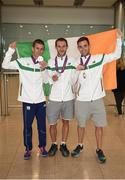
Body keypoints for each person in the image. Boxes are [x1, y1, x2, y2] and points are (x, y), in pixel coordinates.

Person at [71, 29, 122, 163]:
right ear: (78, 48)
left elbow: (116, 55)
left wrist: (119, 39)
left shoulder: (98, 58)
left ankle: (99, 149)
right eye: (80, 47)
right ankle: (80, 145)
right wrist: (77, 71)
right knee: (81, 125)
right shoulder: (75, 62)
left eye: (85, 46)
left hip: (97, 99)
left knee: (99, 126)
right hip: (81, 100)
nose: (83, 48)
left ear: (89, 46)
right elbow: (73, 83)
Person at [2, 39, 48, 160]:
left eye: (41, 49)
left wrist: (44, 69)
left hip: (41, 101)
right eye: (37, 48)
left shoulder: (43, 63)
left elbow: (47, 81)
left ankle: (42, 147)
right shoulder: (22, 62)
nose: (39, 51)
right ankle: (28, 149)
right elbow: (4, 65)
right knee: (27, 126)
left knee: (42, 126)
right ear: (33, 49)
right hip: (27, 100)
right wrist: (10, 50)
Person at [47, 38, 75, 157]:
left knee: (66, 122)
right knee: (52, 124)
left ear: (67, 47)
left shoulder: (72, 61)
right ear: (56, 47)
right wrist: (51, 79)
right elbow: (46, 78)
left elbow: (75, 77)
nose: (61, 48)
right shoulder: (50, 62)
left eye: (63, 46)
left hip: (68, 97)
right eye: (59, 46)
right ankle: (54, 144)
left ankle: (63, 144)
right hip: (54, 98)